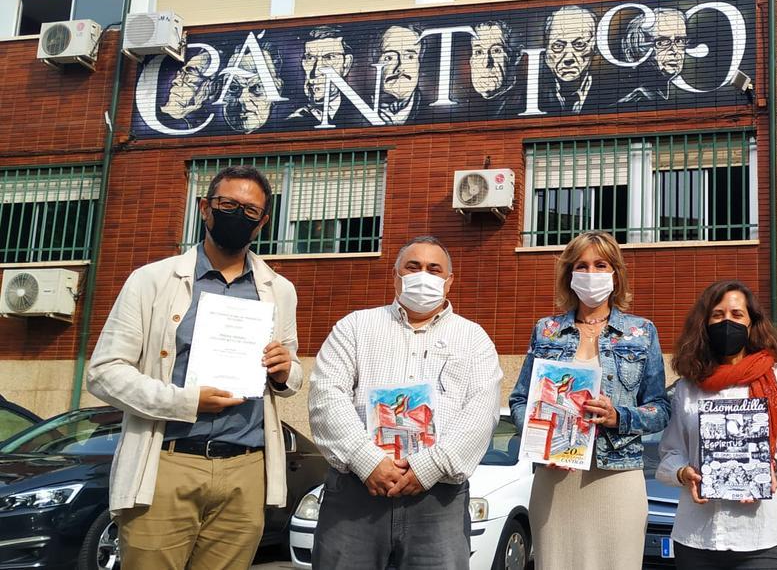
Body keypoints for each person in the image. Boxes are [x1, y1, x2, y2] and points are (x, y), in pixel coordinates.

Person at [87, 165, 302, 569]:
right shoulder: (151, 280)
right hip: (168, 463)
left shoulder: (279, 290)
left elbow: (292, 372)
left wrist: (283, 370)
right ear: (205, 208)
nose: (239, 215)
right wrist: (185, 401)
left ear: (263, 222)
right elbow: (104, 372)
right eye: (227, 204)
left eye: (251, 210)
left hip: (246, 468)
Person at [308, 235, 503, 570]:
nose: (423, 275)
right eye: (413, 267)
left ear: (449, 281)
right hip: (356, 496)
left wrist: (427, 468)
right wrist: (368, 461)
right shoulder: (355, 327)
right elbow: (326, 396)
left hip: (438, 503)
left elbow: (481, 413)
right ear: (395, 275)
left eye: (434, 268)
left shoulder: (474, 339)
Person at [508, 230, 670, 570]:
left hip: (617, 478)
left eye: (601, 265)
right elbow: (520, 399)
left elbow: (660, 409)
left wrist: (619, 417)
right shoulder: (546, 330)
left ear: (616, 273)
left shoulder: (641, 332)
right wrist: (542, 441)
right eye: (582, 265)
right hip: (556, 479)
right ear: (569, 274)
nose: (592, 273)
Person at [656, 280, 777, 569]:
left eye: (737, 315)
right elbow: (670, 453)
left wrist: (772, 465)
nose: (727, 322)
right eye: (717, 315)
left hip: (761, 538)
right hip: (696, 539)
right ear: (704, 325)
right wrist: (682, 473)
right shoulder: (688, 388)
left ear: (752, 324)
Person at [289, 25, 363, 126]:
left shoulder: (360, 116)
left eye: (329, 57)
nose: (316, 71)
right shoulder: (292, 121)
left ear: (347, 64)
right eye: (310, 58)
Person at [618, 7, 689, 104]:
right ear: (632, 53)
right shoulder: (633, 105)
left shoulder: (660, 102)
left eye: (679, 41)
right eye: (662, 42)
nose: (675, 50)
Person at [375, 24, 424, 125]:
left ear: (419, 62)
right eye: (389, 58)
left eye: (410, 57)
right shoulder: (356, 113)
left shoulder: (432, 112)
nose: (400, 67)